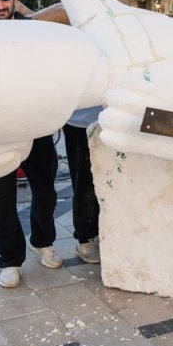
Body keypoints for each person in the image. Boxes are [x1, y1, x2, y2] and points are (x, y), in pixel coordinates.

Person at [0, 0, 63, 288]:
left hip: (35, 124)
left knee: (45, 189)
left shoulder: (33, 28)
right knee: (0, 198)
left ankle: (42, 241)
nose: (0, 5)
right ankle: (10, 259)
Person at [62, 107, 102, 264]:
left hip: (113, 120)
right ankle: (85, 238)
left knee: (110, 182)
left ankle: (103, 230)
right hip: (80, 122)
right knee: (84, 183)